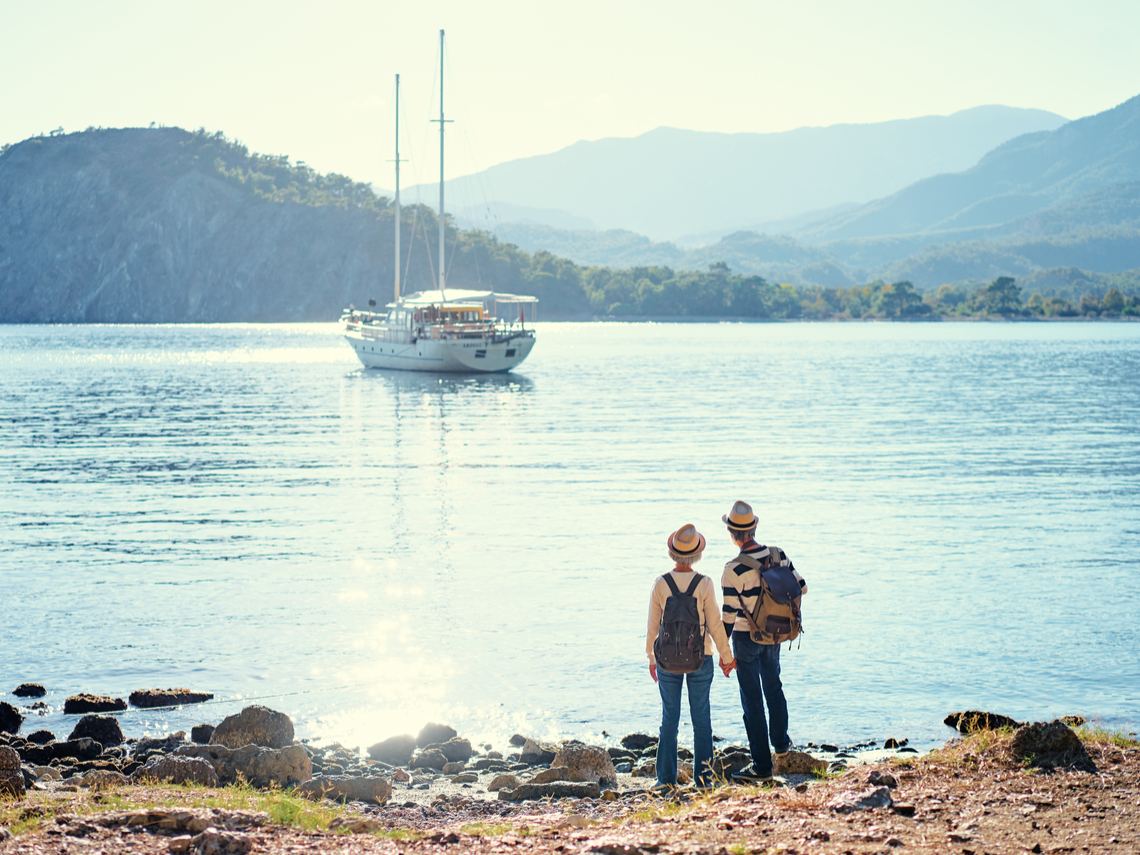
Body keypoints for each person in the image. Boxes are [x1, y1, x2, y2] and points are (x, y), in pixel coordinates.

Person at [719, 501, 807, 784]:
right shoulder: (778, 554)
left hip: (747, 638)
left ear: (732, 534)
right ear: (754, 527)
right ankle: (781, 744)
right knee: (774, 686)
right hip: (776, 632)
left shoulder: (733, 569)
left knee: (752, 701)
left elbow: (729, 617)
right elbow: (801, 587)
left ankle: (761, 767)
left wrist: (723, 653)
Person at [646, 523, 736, 789]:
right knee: (701, 719)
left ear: (672, 553)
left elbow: (652, 627)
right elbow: (716, 624)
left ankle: (665, 780)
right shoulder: (704, 584)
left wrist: (651, 658)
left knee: (669, 719)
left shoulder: (660, 584)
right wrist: (726, 656)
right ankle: (704, 781)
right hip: (701, 658)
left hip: (666, 661)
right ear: (697, 554)